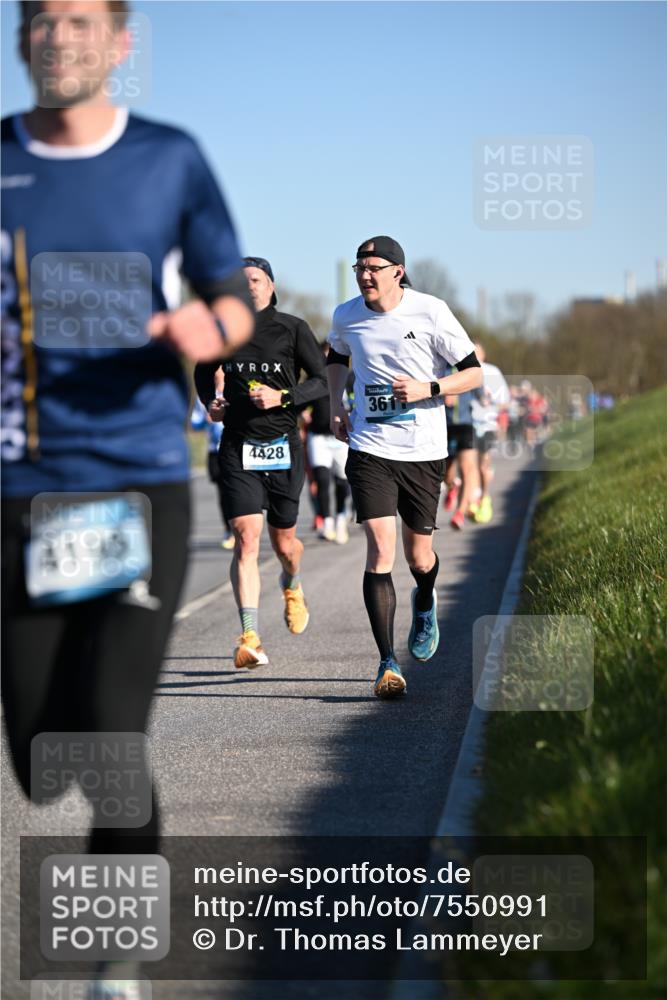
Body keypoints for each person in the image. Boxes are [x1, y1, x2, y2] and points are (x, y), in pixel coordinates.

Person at [1, 1, 253, 993]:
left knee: (108, 735)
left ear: (118, 42)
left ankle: (115, 960)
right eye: (40, 21)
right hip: (20, 491)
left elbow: (233, 290)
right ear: (22, 41)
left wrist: (212, 326)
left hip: (135, 484)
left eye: (79, 19)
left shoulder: (169, 158)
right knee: (37, 755)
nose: (60, 37)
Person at [327, 236, 482, 699]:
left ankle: (426, 598)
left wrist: (428, 387)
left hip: (423, 449)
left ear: (397, 271)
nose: (364, 274)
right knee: (380, 549)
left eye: (373, 267)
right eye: (359, 267)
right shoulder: (346, 314)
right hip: (370, 447)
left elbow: (471, 372)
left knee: (419, 558)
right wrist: (337, 401)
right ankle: (387, 664)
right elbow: (335, 355)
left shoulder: (430, 311)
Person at [195, 256, 327, 668]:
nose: (247, 286)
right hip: (238, 444)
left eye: (255, 279)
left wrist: (282, 398)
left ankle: (292, 582)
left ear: (271, 285)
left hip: (283, 446)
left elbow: (323, 381)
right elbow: (203, 371)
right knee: (246, 537)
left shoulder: (291, 328)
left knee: (284, 543)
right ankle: (250, 635)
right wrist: (211, 404)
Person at [305, 345, 351, 544]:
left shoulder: (350, 380)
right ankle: (327, 522)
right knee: (322, 479)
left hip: (341, 439)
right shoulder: (314, 382)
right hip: (319, 437)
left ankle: (341, 518)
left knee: (342, 482)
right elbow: (299, 403)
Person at [469, 343, 510, 524]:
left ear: (483, 355)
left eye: (477, 353)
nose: (474, 356)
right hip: (467, 424)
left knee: (483, 463)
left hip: (487, 425)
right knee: (469, 464)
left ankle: (484, 498)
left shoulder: (492, 372)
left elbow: (505, 401)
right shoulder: (462, 371)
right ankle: (472, 497)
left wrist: (490, 400)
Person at [443, 379, 480, 531]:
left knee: (466, 469)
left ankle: (460, 512)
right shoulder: (439, 366)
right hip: (444, 425)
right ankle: (452, 486)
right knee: (445, 473)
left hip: (466, 425)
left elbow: (482, 393)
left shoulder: (468, 367)